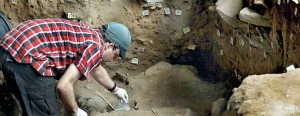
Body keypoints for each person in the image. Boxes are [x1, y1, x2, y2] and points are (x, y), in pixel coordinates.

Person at [0, 18, 131, 116]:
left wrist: (115, 89)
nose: (112, 61)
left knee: (30, 103)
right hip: (27, 56)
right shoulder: (96, 48)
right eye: (115, 55)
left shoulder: (92, 35)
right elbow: (63, 86)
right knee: (48, 112)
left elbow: (94, 67)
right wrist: (76, 111)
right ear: (109, 45)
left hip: (10, 45)